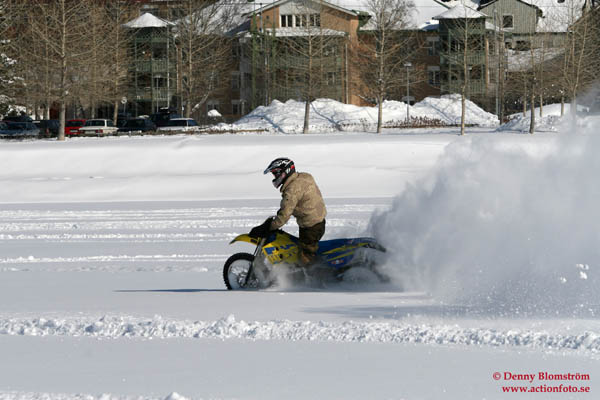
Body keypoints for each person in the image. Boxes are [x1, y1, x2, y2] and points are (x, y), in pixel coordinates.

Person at [250, 158, 327, 267]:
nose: (275, 177)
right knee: (301, 248)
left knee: (305, 258)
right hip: (319, 220)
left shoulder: (291, 190)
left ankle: (315, 279)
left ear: (283, 172)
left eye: (275, 174)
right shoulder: (305, 176)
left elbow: (284, 216)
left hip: (310, 227)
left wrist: (268, 227)